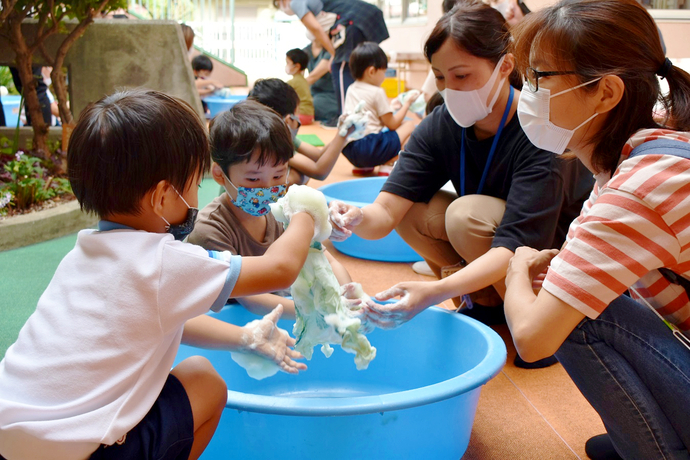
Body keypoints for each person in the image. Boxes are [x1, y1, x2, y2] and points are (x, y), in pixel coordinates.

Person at [0, 89, 317, 460]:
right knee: (204, 381)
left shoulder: (84, 253)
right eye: (193, 186)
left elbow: (162, 320)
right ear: (163, 197)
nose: (196, 197)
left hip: (12, 438)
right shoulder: (164, 261)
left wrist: (244, 337)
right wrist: (307, 210)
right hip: (78, 453)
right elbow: (280, 270)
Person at [329, 3, 593, 368]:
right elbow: (386, 210)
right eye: (439, 77)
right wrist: (355, 216)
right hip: (501, 244)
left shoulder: (540, 132)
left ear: (504, 66)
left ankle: (540, 325)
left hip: (550, 255)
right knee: (411, 211)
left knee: (465, 215)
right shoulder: (442, 124)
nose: (449, 89)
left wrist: (433, 292)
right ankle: (485, 302)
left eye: (461, 76)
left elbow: (517, 245)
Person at [502, 0, 690, 458]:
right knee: (570, 290)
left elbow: (531, 338)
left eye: (539, 78)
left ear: (605, 92)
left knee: (581, 316)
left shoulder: (637, 189)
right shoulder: (645, 151)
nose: (527, 93)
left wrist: (516, 270)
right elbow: (579, 252)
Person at [188, 100, 351, 319]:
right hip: (236, 324)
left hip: (283, 311)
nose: (267, 189)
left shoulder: (284, 209)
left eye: (277, 175)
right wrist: (319, 314)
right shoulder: (209, 229)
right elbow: (252, 298)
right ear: (220, 175)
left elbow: (326, 259)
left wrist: (347, 297)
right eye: (253, 178)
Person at [272, 0, 389, 115]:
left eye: (278, 3)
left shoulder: (296, 3)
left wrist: (333, 53)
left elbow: (316, 28)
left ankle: (346, 116)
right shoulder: (309, 47)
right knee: (346, 68)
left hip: (353, 21)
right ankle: (357, 113)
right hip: (360, 18)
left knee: (341, 68)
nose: (281, 6)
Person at [248, 78, 351, 185]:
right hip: (256, 196)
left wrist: (346, 133)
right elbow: (319, 171)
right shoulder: (272, 144)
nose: (299, 120)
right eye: (297, 115)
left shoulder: (276, 134)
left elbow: (318, 155)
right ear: (288, 120)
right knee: (300, 174)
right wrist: (343, 135)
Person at [342, 42, 418, 177]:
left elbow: (369, 113)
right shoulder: (377, 91)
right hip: (369, 148)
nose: (385, 76)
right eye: (384, 72)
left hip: (349, 149)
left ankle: (365, 167)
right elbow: (392, 123)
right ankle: (388, 163)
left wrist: (392, 108)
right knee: (409, 125)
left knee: (380, 130)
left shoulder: (351, 88)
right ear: (372, 71)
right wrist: (407, 104)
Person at [303, 40, 339, 125]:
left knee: (312, 104)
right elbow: (299, 74)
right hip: (313, 92)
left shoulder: (331, 51)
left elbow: (313, 77)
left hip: (330, 95)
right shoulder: (306, 51)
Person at [285, 48, 315, 126]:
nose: (286, 66)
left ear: (297, 66)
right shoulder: (303, 80)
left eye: (288, 63)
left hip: (300, 116)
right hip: (309, 115)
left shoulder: (293, 82)